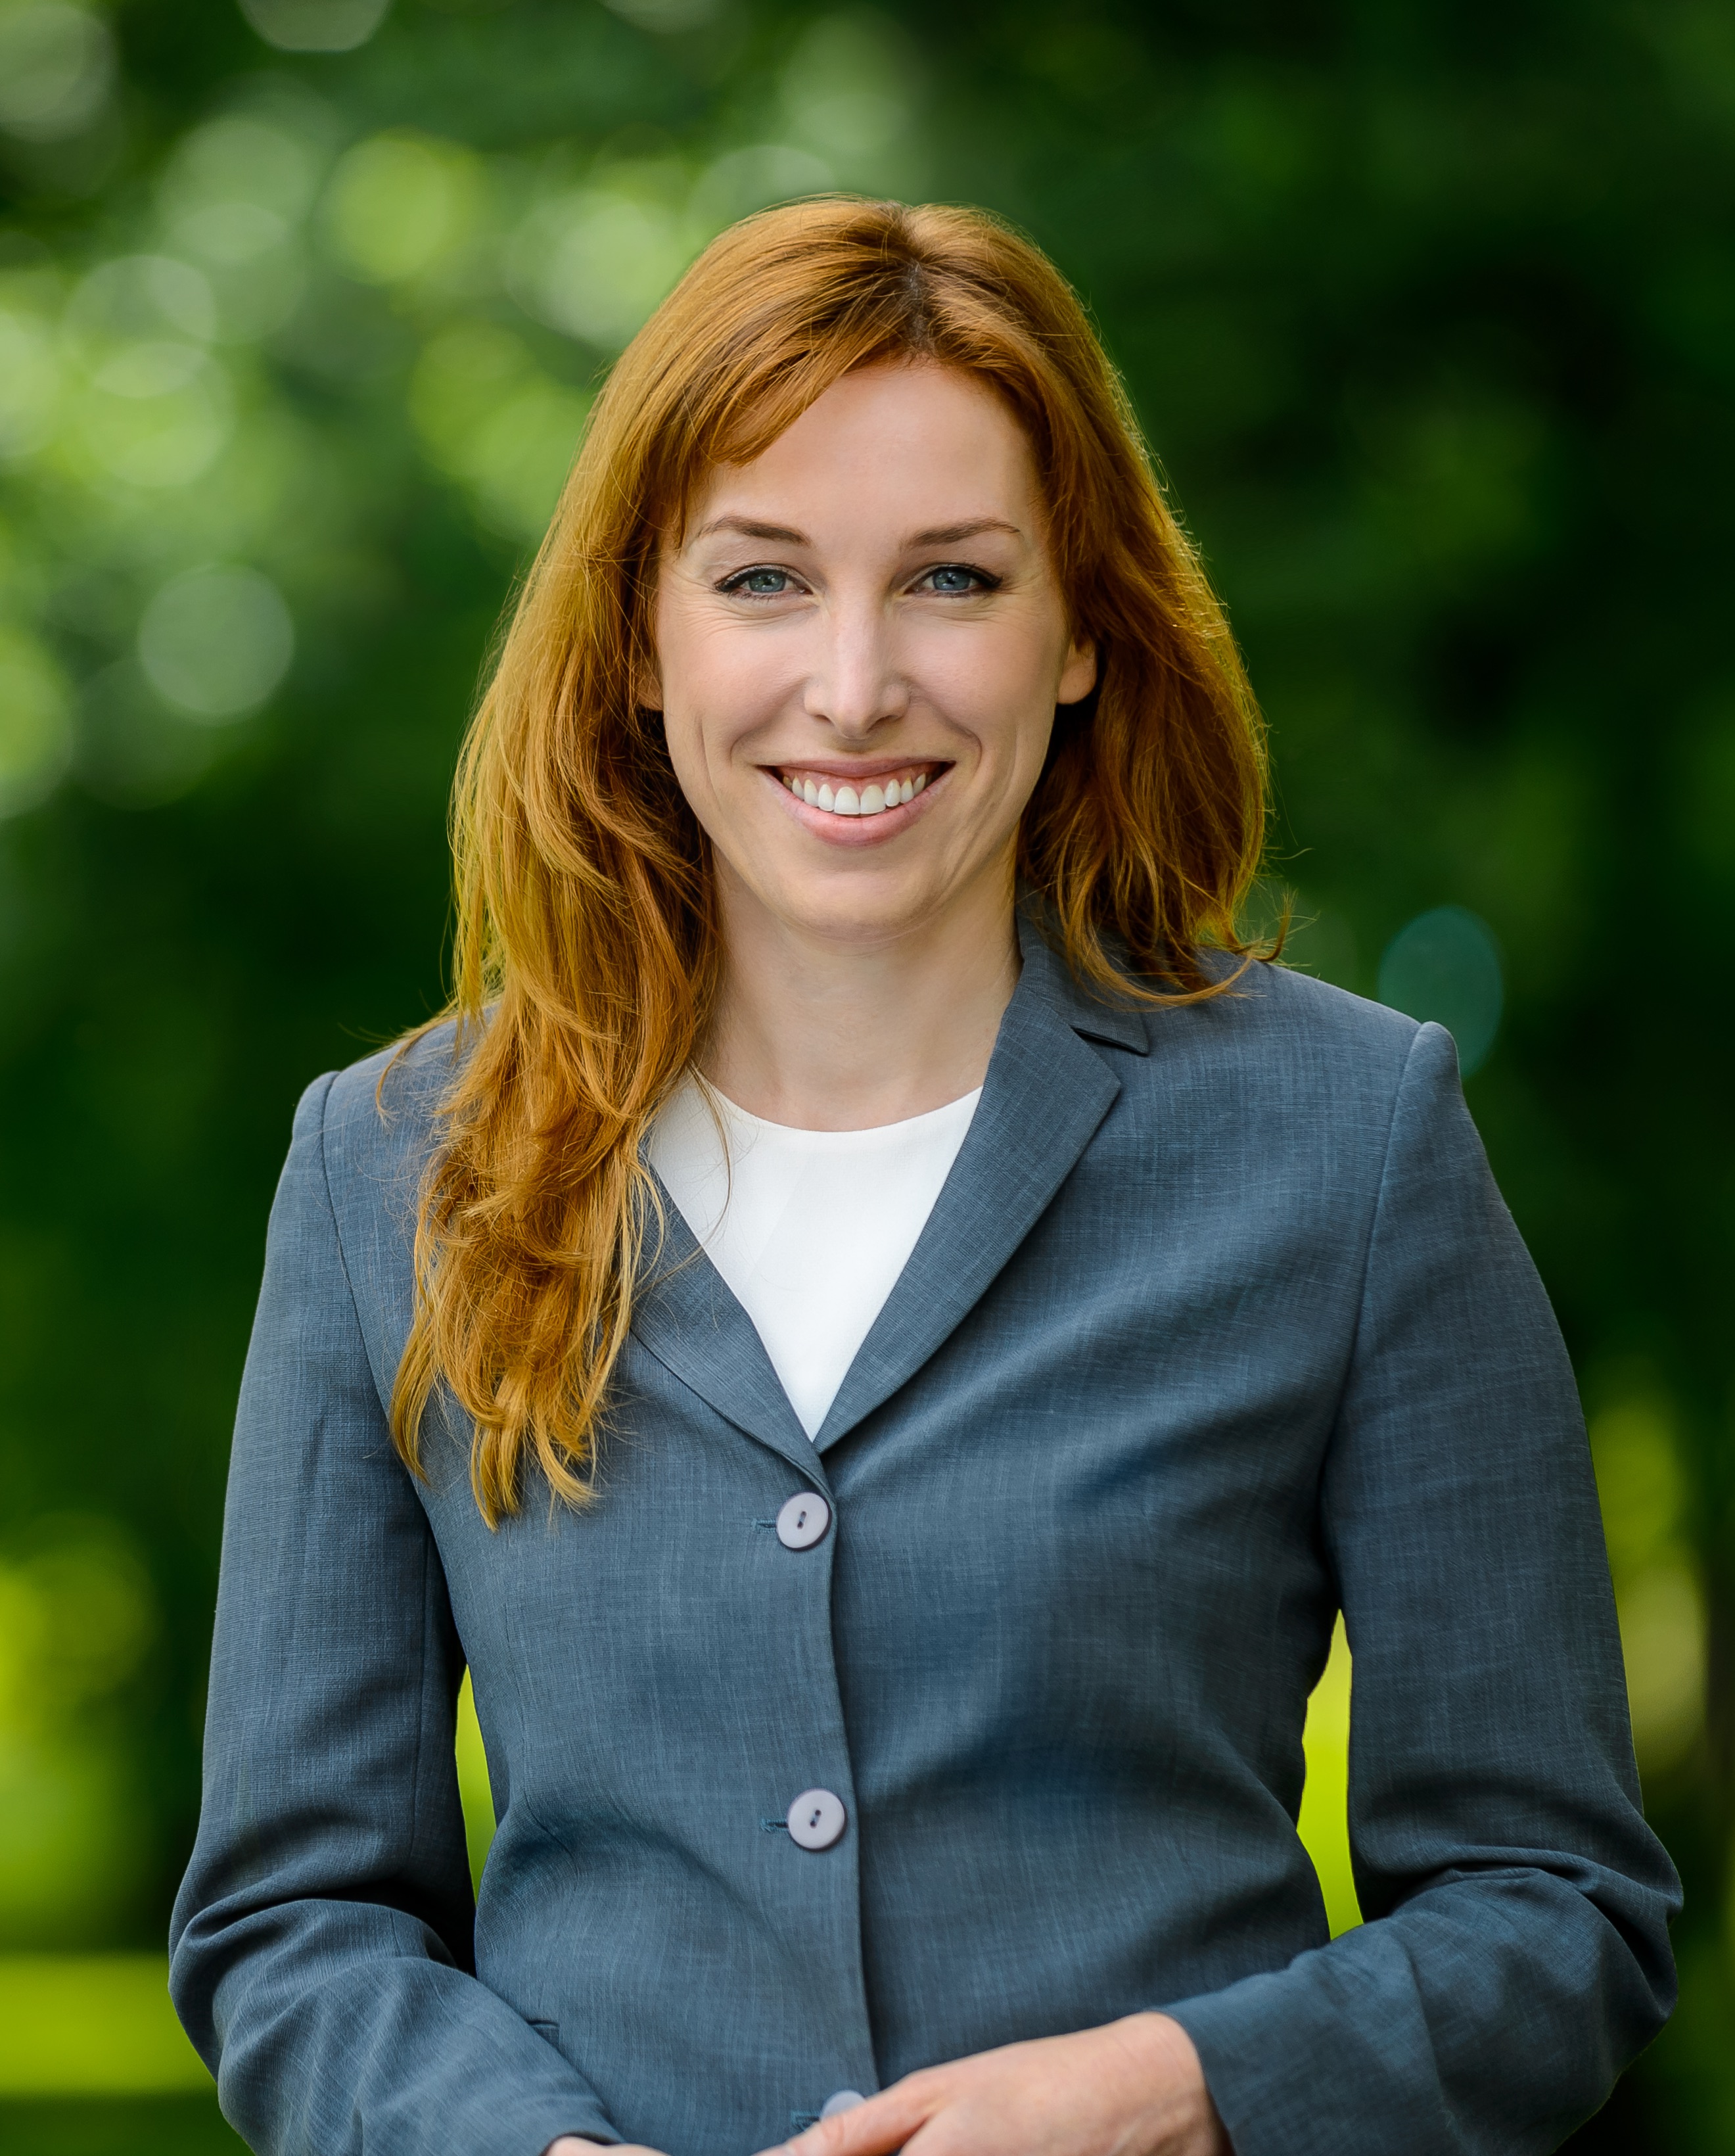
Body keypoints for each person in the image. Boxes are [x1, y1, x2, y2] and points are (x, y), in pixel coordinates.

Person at [169, 198, 1677, 2156]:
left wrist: (1176, 2094)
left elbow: (1557, 1916)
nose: (858, 683)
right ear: (642, 638)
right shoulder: (389, 1175)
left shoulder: (1351, 1141)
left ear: (1079, 636)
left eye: (954, 581)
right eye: (767, 581)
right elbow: (295, 1919)